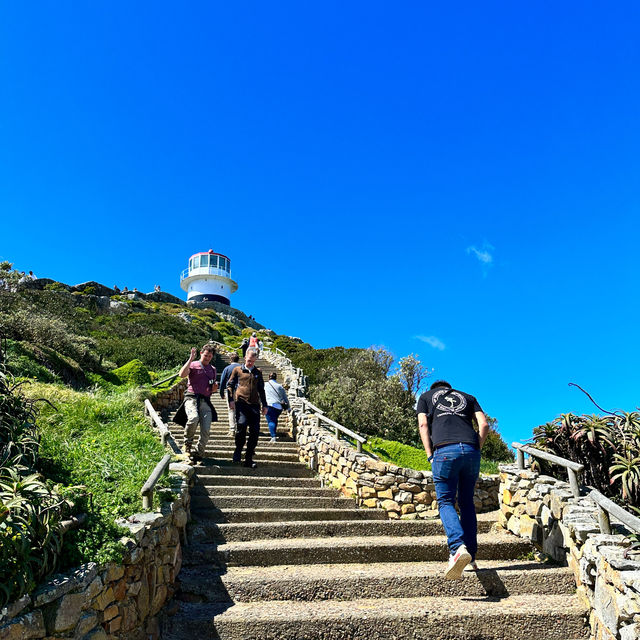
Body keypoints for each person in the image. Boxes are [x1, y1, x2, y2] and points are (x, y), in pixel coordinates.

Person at [417, 380, 489, 580]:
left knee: (446, 501)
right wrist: (477, 448)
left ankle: (457, 548)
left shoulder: (425, 398)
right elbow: (483, 425)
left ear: (435, 390)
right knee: (467, 503)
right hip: (471, 451)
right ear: (448, 388)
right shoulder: (468, 396)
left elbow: (423, 424)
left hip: (444, 451)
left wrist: (430, 454)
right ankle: (471, 559)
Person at [227, 348, 267, 468]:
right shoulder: (237, 370)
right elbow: (230, 385)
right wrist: (231, 400)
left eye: (252, 361)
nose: (250, 363)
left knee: (255, 431)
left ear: (255, 360)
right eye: (249, 360)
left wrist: (265, 405)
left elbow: (261, 389)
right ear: (245, 358)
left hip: (254, 405)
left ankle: (249, 457)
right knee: (242, 426)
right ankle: (238, 450)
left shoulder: (258, 372)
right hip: (241, 403)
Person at [179, 344, 219, 463]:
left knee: (206, 429)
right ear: (201, 353)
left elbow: (212, 389)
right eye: (206, 355)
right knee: (193, 418)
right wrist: (191, 358)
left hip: (205, 400)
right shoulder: (193, 365)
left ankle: (199, 452)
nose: (207, 358)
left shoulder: (213, 369)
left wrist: (215, 388)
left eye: (209, 356)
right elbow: (181, 374)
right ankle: (187, 443)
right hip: (191, 398)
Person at [219, 353, 241, 437]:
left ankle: (232, 429)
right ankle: (240, 428)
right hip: (241, 391)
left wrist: (221, 393)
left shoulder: (227, 368)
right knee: (240, 410)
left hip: (230, 391)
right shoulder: (242, 367)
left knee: (231, 410)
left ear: (230, 360)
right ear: (238, 359)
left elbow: (222, 381)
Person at [264, 372, 289, 443]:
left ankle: (273, 437)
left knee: (271, 421)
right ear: (276, 378)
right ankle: (273, 434)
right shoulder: (279, 386)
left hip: (270, 405)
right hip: (279, 407)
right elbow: (285, 397)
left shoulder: (265, 385)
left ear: (269, 377)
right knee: (274, 420)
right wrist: (288, 407)